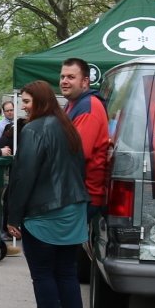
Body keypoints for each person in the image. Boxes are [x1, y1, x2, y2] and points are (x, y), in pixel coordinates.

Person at [3, 80, 89, 308]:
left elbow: (24, 175)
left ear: (40, 102)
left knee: (43, 276)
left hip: (44, 213)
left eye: (27, 102)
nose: (23, 108)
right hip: (73, 209)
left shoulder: (34, 130)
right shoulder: (68, 127)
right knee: (67, 276)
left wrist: (13, 214)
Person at [58, 56, 113, 233]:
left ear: (85, 81)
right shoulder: (71, 105)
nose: (64, 81)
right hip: (74, 194)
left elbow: (77, 153)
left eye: (71, 77)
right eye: (62, 77)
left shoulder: (88, 107)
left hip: (83, 196)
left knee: (64, 255)